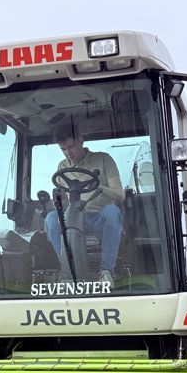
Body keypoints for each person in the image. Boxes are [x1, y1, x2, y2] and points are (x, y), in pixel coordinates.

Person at [44, 122, 125, 287]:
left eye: (71, 147)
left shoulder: (104, 159)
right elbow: (64, 199)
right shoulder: (62, 167)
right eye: (63, 149)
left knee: (112, 211)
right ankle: (68, 268)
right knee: (51, 219)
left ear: (81, 140)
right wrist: (58, 200)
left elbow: (120, 195)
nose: (68, 153)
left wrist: (99, 186)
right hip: (73, 217)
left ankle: (106, 271)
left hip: (98, 218)